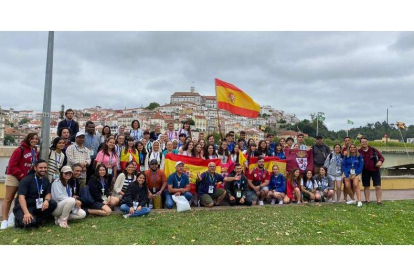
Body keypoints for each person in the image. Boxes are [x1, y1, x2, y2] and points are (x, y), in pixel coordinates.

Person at [1, 133, 39, 230]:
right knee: (9, 198)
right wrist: (22, 175)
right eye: (32, 138)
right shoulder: (20, 149)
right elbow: (12, 166)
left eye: (36, 139)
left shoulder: (35, 150)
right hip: (15, 176)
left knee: (22, 199)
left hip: (27, 179)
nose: (34, 140)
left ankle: (12, 218)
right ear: (28, 139)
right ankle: (4, 220)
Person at [13, 160, 58, 228]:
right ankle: (20, 220)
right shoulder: (26, 180)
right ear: (35, 168)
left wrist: (46, 200)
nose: (43, 169)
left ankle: (36, 219)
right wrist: (26, 213)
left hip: (37, 206)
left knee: (53, 203)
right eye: (41, 168)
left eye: (45, 168)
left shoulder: (46, 180)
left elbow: (48, 193)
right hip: (24, 207)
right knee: (28, 224)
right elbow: (21, 198)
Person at [359, 137, 385, 205]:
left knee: (378, 186)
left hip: (375, 170)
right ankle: (367, 200)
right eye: (363, 142)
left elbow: (382, 157)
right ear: (360, 143)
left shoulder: (373, 150)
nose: (364, 143)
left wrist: (380, 162)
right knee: (366, 186)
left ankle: (379, 201)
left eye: (365, 141)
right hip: (365, 171)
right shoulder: (359, 151)